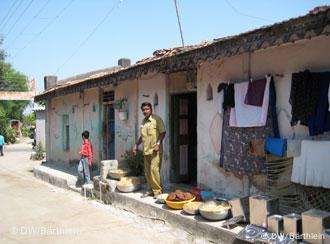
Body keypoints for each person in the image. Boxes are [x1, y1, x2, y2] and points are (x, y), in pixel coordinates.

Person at [133, 102, 166, 198]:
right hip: (146, 150)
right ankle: (150, 190)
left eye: (147, 109)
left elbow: (163, 132)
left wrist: (158, 143)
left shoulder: (156, 119)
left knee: (154, 170)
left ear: (151, 109)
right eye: (143, 109)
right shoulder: (143, 122)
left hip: (155, 150)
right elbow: (142, 136)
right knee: (147, 172)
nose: (145, 111)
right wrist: (136, 144)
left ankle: (157, 192)